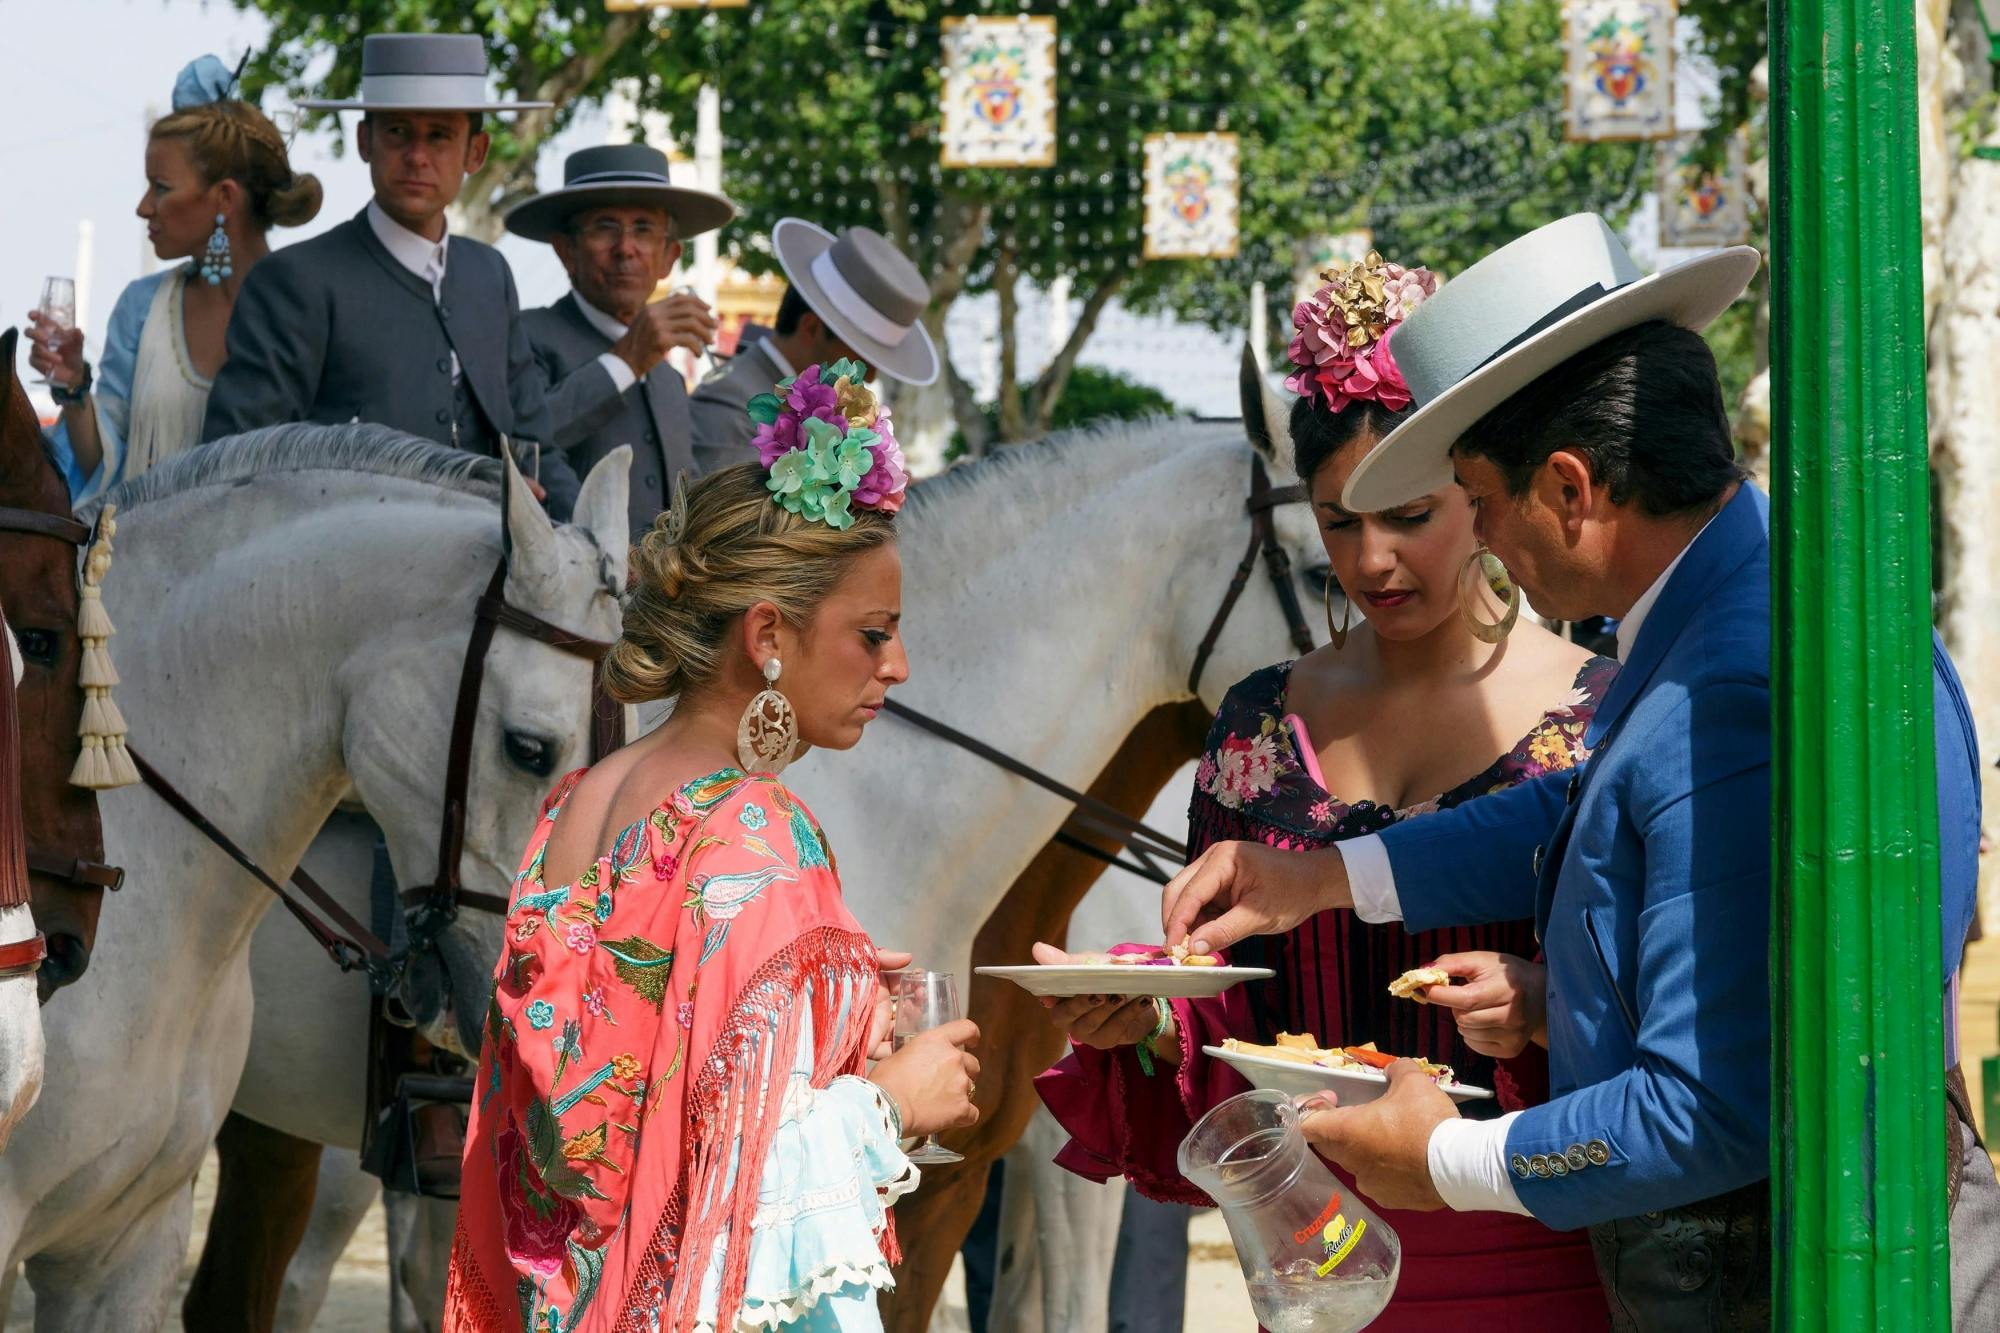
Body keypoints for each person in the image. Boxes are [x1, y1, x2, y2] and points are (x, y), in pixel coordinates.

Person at [1158, 213, 1995, 1327]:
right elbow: (1593, 810)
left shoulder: (1727, 689)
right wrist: (1321, 877)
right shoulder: (1732, 611)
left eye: (1479, 502)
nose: (1486, 545)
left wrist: (1446, 1155)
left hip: (1798, 1279)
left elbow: (1710, 1105)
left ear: (1568, 488)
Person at [1032, 253, 1611, 1327]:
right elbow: (1230, 1012)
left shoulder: (1595, 712)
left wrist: (1538, 1005)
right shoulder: (1255, 719)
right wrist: (1143, 1017)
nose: (1373, 558)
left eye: (1408, 514)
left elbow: (1664, 1017)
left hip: (1535, 1242)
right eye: (1339, 521)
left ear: (1479, 495)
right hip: (1311, 1256)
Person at [446, 361, 945, 1332]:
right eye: (873, 632)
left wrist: (831, 1008)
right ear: (767, 633)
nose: (898, 664)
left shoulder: (572, 806)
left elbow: (616, 1109)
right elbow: (750, 1201)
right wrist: (892, 1105)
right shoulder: (755, 830)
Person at [201, 33, 579, 517]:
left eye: (440, 135)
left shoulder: (490, 275)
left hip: (490, 584)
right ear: (365, 141)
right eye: (398, 131)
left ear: (476, 152)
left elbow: (534, 444)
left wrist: (595, 548)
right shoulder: (296, 281)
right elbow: (235, 464)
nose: (417, 155)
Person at [29, 55, 321, 501]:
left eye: (161, 187)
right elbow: (101, 468)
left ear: (224, 197)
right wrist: (73, 387)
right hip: (142, 562)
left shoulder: (312, 306)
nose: (144, 207)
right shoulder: (142, 307)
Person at [505, 143, 735, 537]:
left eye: (644, 229)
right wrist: (626, 360)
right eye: (604, 227)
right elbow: (523, 443)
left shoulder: (669, 380)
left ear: (668, 258)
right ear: (566, 251)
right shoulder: (525, 336)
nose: (625, 249)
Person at [689, 220, 939, 471]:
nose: (871, 376)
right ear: (811, 328)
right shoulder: (731, 407)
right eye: (862, 356)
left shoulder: (820, 410)